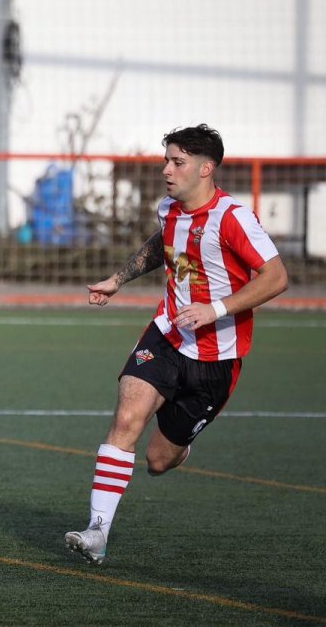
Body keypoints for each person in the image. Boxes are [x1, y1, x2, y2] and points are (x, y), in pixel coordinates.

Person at [64, 124, 288, 565]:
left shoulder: (233, 218)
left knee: (159, 460)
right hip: (166, 334)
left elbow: (277, 278)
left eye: (177, 162)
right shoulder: (168, 208)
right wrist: (117, 280)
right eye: (166, 159)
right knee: (127, 417)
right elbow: (161, 244)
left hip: (217, 356)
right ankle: (97, 532)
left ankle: (182, 439)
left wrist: (216, 309)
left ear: (206, 169)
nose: (166, 169)